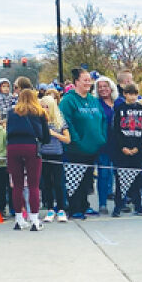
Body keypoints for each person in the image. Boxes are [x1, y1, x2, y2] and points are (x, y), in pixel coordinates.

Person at [59, 68, 107, 219]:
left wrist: (102, 137)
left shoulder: (93, 100)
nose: (88, 83)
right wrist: (76, 140)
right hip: (76, 149)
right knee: (75, 179)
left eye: (89, 80)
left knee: (87, 179)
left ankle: (85, 205)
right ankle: (75, 208)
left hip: (93, 147)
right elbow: (65, 122)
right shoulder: (68, 100)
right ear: (76, 82)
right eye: (85, 80)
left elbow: (103, 119)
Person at [6, 89, 50, 229]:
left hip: (13, 147)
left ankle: (19, 219)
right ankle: (35, 220)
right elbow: (46, 137)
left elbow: (7, 131)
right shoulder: (39, 112)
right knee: (33, 185)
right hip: (31, 146)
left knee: (17, 185)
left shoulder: (11, 113)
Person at [110, 83, 142, 217]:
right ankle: (118, 206)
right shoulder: (119, 109)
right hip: (122, 150)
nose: (132, 97)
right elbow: (116, 130)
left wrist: (138, 147)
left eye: (135, 94)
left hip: (137, 149)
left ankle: (138, 205)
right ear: (125, 94)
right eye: (129, 94)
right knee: (121, 180)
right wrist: (123, 147)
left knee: (137, 179)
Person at [39, 94, 72, 222]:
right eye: (42, 107)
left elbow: (68, 140)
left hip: (57, 155)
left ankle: (61, 209)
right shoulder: (39, 121)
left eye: (47, 107)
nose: (44, 109)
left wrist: (54, 134)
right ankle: (50, 209)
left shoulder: (59, 120)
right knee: (46, 183)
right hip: (43, 155)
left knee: (59, 183)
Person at [94, 76, 118, 214]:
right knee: (103, 173)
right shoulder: (96, 103)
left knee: (120, 174)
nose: (103, 89)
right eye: (100, 87)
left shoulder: (119, 102)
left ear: (111, 87)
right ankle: (102, 203)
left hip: (120, 144)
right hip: (103, 144)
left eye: (105, 86)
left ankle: (121, 202)